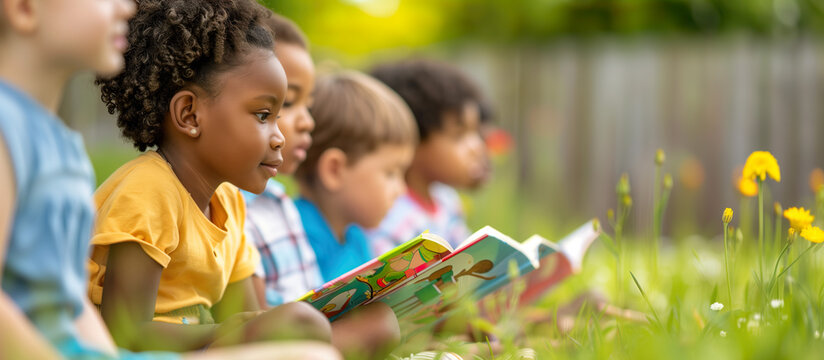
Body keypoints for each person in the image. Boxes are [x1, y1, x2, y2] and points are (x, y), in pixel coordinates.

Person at [87, 0, 335, 353]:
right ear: (190, 115)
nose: (279, 136)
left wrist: (245, 326)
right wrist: (227, 331)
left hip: (205, 348)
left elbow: (248, 314)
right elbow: (124, 334)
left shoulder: (229, 202)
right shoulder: (148, 192)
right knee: (301, 326)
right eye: (263, 115)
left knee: (330, 324)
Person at [242, 14, 400, 360]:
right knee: (380, 325)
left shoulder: (278, 202)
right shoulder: (238, 210)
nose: (306, 121)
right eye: (287, 102)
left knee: (383, 322)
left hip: (301, 339)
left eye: (306, 104)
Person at [293, 70, 418, 282]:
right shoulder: (296, 234)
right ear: (334, 170)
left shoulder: (356, 238)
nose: (402, 190)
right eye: (390, 173)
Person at [367, 59, 489, 253]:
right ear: (411, 139)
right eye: (459, 136)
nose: (477, 147)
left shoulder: (447, 201)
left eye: (476, 132)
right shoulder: (389, 215)